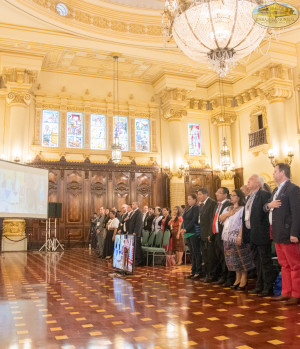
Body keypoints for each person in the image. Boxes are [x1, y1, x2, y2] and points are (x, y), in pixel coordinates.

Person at [264, 163, 300, 305]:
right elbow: (266, 206)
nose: (273, 174)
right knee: (284, 265)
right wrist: (269, 206)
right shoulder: (275, 190)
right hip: (277, 233)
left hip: (288, 233)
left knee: (294, 265)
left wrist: (295, 233)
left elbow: (297, 213)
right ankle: (286, 291)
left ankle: (296, 294)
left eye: (275, 171)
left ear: (283, 172)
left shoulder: (293, 189)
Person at [243, 174, 273, 297]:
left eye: (250, 180)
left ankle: (267, 287)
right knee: (257, 262)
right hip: (252, 233)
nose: (247, 182)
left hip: (261, 233)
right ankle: (259, 285)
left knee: (265, 261)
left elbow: (266, 215)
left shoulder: (264, 195)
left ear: (258, 184)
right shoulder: (249, 197)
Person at [220, 190, 254, 290]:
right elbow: (221, 218)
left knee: (241, 258)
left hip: (238, 236)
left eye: (234, 195)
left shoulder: (243, 209)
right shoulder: (227, 208)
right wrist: (228, 214)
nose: (231, 197)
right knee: (233, 259)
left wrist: (240, 236)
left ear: (239, 197)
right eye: (231, 195)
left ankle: (244, 278)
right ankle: (237, 278)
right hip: (227, 237)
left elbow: (243, 224)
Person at [208, 187, 232, 284]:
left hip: (224, 234)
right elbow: (213, 219)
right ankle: (220, 276)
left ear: (225, 194)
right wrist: (211, 233)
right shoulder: (217, 205)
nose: (216, 194)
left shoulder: (228, 204)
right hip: (216, 234)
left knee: (225, 257)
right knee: (219, 257)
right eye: (216, 192)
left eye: (219, 192)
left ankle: (227, 278)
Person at [197, 188, 217, 281]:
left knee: (210, 256)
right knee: (205, 256)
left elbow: (212, 220)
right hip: (202, 233)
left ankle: (212, 275)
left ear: (205, 194)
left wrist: (210, 233)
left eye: (200, 194)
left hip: (209, 233)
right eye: (198, 194)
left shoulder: (212, 203)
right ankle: (207, 274)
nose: (198, 196)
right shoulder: (202, 205)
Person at [181, 193, 200, 279]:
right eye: (188, 199)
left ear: (194, 200)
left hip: (193, 232)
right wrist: (182, 228)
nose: (188, 201)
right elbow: (184, 220)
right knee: (192, 253)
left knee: (196, 252)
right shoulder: (189, 208)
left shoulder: (196, 208)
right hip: (188, 232)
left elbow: (194, 220)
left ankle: (198, 272)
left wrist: (186, 229)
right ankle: (193, 271)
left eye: (190, 199)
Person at [128, 201, 144, 266]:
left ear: (137, 205)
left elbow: (139, 223)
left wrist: (135, 232)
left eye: (133, 204)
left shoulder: (139, 212)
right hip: (131, 232)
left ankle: (138, 260)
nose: (132, 205)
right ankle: (134, 260)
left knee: (137, 247)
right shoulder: (133, 212)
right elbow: (131, 223)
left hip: (136, 233)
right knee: (133, 247)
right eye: (132, 204)